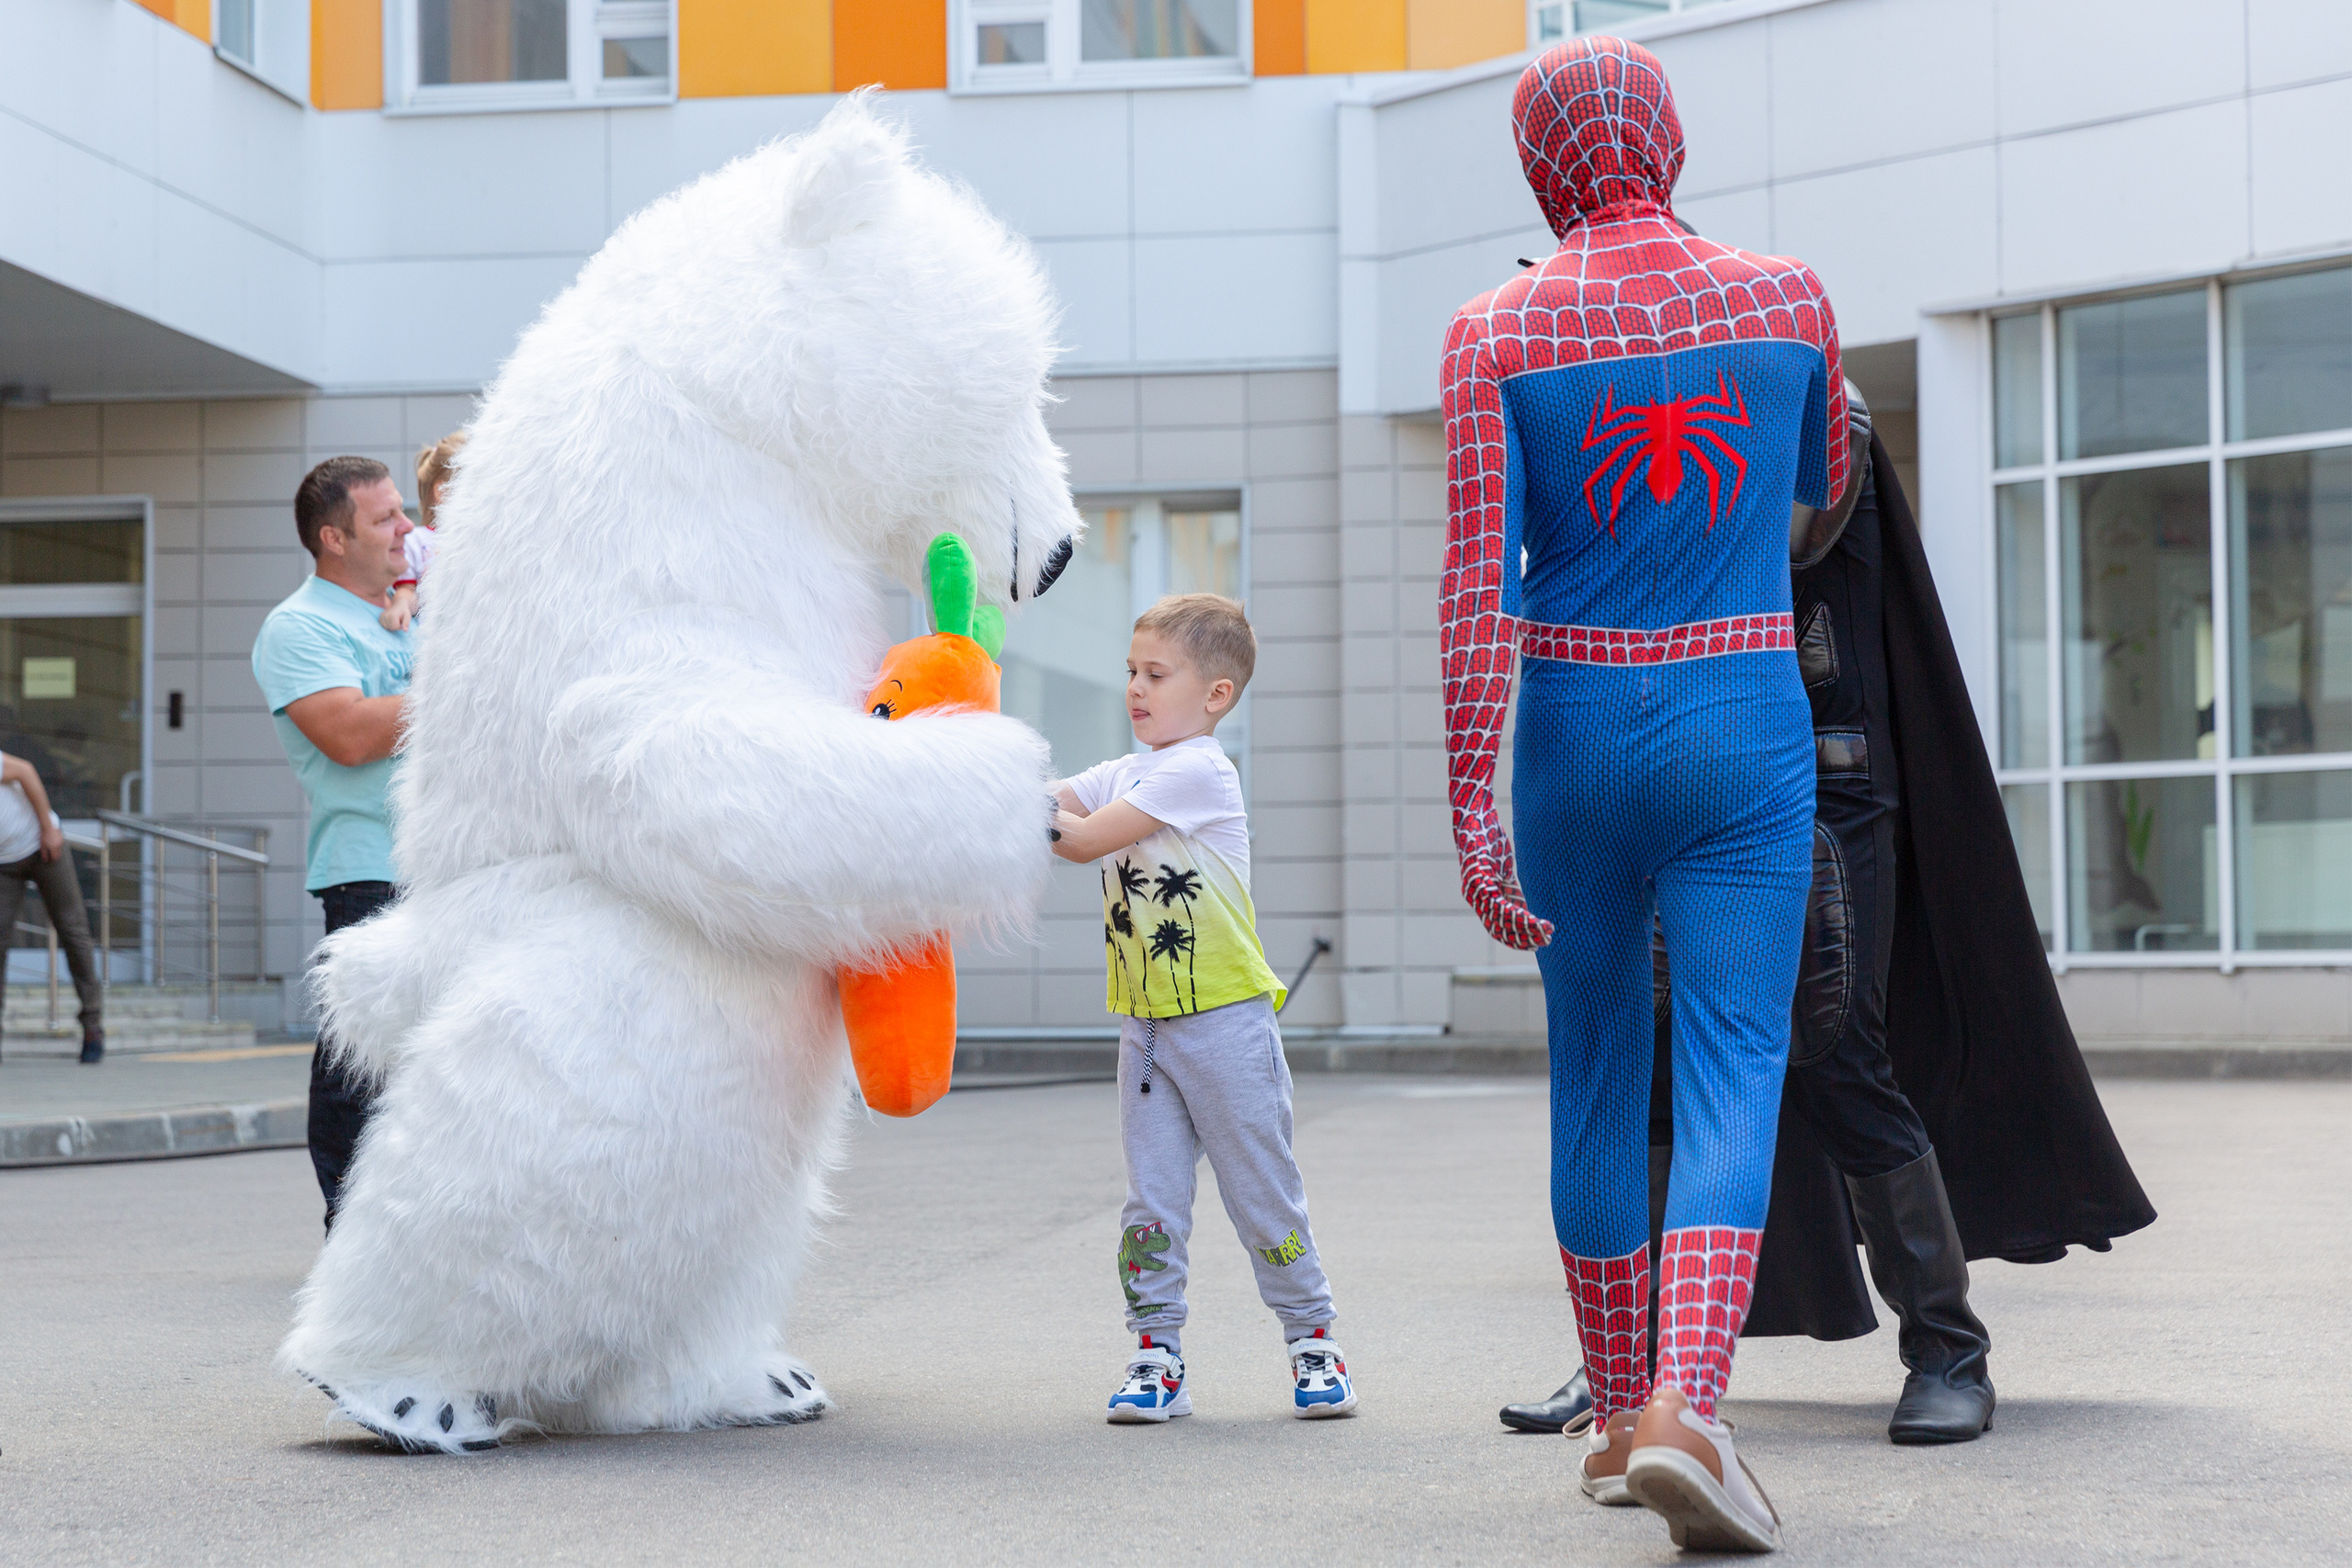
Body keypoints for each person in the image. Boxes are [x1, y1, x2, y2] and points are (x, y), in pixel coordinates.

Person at [1502, 417, 2156, 1448]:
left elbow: (1777, 537)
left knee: (1836, 1047)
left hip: (1809, 778)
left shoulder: (1804, 401)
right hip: (1673, 759)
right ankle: (1632, 1360)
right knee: (1655, 1060)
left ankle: (1946, 1346)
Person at [1440, 39, 1850, 1552]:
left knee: (1596, 1065)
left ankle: (1618, 1420)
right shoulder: (1788, 292)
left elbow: (1475, 587)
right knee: (1736, 1054)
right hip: (1742, 703)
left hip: (1568, 714)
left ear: (1540, 162)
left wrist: (1471, 797)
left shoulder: (1492, 328)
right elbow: (1827, 475)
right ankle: (1690, 1401)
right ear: (1667, 139)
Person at [1051, 593, 1358, 1426]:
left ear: (1215, 694)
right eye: (1130, 672)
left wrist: (1013, 805)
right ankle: (1157, 1357)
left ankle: (1313, 1338)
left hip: (1226, 1025)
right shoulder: (1124, 770)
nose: (1135, 688)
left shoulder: (1197, 770)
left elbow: (1077, 839)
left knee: (1263, 1195)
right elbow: (1058, 797)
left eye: (1156, 674)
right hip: (1145, 1032)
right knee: (1151, 1201)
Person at [251, 456, 414, 1228]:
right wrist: (471, 683)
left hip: (453, 863)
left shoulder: (414, 610)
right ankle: (354, 1229)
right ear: (333, 538)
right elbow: (349, 734)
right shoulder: (299, 625)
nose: (406, 528)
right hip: (370, 870)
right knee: (361, 1059)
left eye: (403, 513)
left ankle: (427, 1230)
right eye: (385, 518)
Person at [0, 750, 106, 1062]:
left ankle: (93, 1024)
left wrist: (48, 828)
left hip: (40, 844)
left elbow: (26, 770)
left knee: (72, 931)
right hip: (4, 863)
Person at [379, 430, 464, 633]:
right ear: (442, 492)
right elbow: (406, 591)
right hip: (435, 641)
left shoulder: (482, 540)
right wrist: (400, 607)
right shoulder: (416, 541)